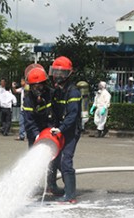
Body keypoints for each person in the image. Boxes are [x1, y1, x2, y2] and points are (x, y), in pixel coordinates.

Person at [22, 67, 64, 196]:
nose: (37, 89)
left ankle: (51, 185)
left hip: (50, 130)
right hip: (34, 132)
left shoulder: (51, 94)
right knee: (33, 159)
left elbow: (57, 113)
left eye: (39, 85)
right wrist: (36, 135)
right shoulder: (28, 99)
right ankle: (31, 187)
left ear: (44, 84)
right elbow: (28, 120)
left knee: (54, 159)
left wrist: (54, 129)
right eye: (34, 86)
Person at [49, 56, 82, 203]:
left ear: (69, 74)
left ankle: (70, 195)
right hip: (60, 130)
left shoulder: (73, 92)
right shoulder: (58, 91)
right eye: (55, 72)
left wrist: (60, 129)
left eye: (61, 73)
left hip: (71, 131)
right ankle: (53, 187)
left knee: (65, 161)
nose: (58, 76)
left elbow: (72, 115)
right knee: (54, 159)